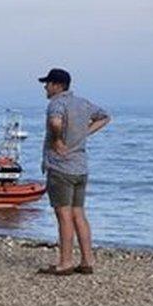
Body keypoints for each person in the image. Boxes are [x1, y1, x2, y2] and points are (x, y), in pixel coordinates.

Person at [37, 68, 111, 275]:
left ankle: (66, 261)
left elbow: (55, 121)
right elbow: (105, 116)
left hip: (61, 167)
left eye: (48, 83)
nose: (45, 87)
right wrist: (85, 133)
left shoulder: (57, 103)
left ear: (57, 85)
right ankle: (88, 260)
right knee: (79, 213)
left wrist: (58, 140)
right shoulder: (82, 103)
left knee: (63, 215)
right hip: (80, 166)